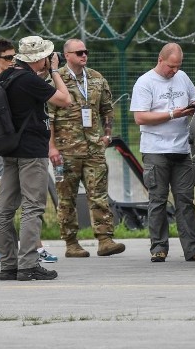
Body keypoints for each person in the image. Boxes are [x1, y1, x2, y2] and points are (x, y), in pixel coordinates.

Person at [130, 43, 195, 263]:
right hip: (156, 150)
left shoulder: (182, 77)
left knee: (185, 200)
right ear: (160, 60)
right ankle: (159, 247)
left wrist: (193, 108)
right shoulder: (145, 82)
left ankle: (193, 248)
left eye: (178, 66)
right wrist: (172, 114)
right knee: (158, 200)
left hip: (181, 149)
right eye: (171, 66)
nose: (174, 71)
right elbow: (140, 117)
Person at [0, 36, 71, 281]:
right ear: (39, 58)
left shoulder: (7, 76)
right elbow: (64, 99)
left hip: (10, 150)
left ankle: (8, 265)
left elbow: (25, 95)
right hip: (31, 153)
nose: (50, 59)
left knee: (4, 210)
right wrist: (56, 71)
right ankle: (28, 264)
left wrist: (43, 74)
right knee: (32, 207)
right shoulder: (29, 80)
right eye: (47, 56)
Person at [48, 38, 125, 258]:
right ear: (67, 55)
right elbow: (49, 118)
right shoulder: (56, 79)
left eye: (86, 52)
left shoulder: (96, 79)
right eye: (79, 52)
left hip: (93, 148)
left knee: (99, 195)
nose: (84, 55)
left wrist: (107, 135)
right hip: (66, 150)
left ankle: (105, 240)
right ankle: (71, 243)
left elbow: (107, 109)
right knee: (66, 198)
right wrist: (52, 147)